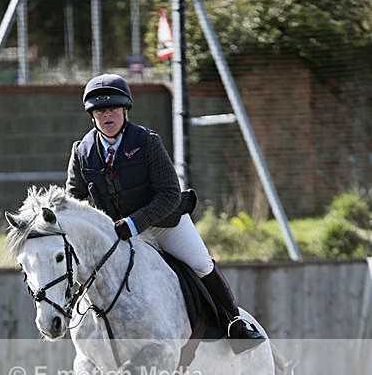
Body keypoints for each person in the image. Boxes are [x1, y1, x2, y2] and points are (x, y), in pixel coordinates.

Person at [65, 73, 264, 353]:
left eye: (113, 108)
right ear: (92, 115)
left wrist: (135, 223)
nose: (107, 115)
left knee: (200, 262)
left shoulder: (147, 142)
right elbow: (73, 200)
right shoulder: (82, 151)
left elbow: (170, 194)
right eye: (100, 110)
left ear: (125, 110)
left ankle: (235, 325)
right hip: (118, 233)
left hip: (163, 223)